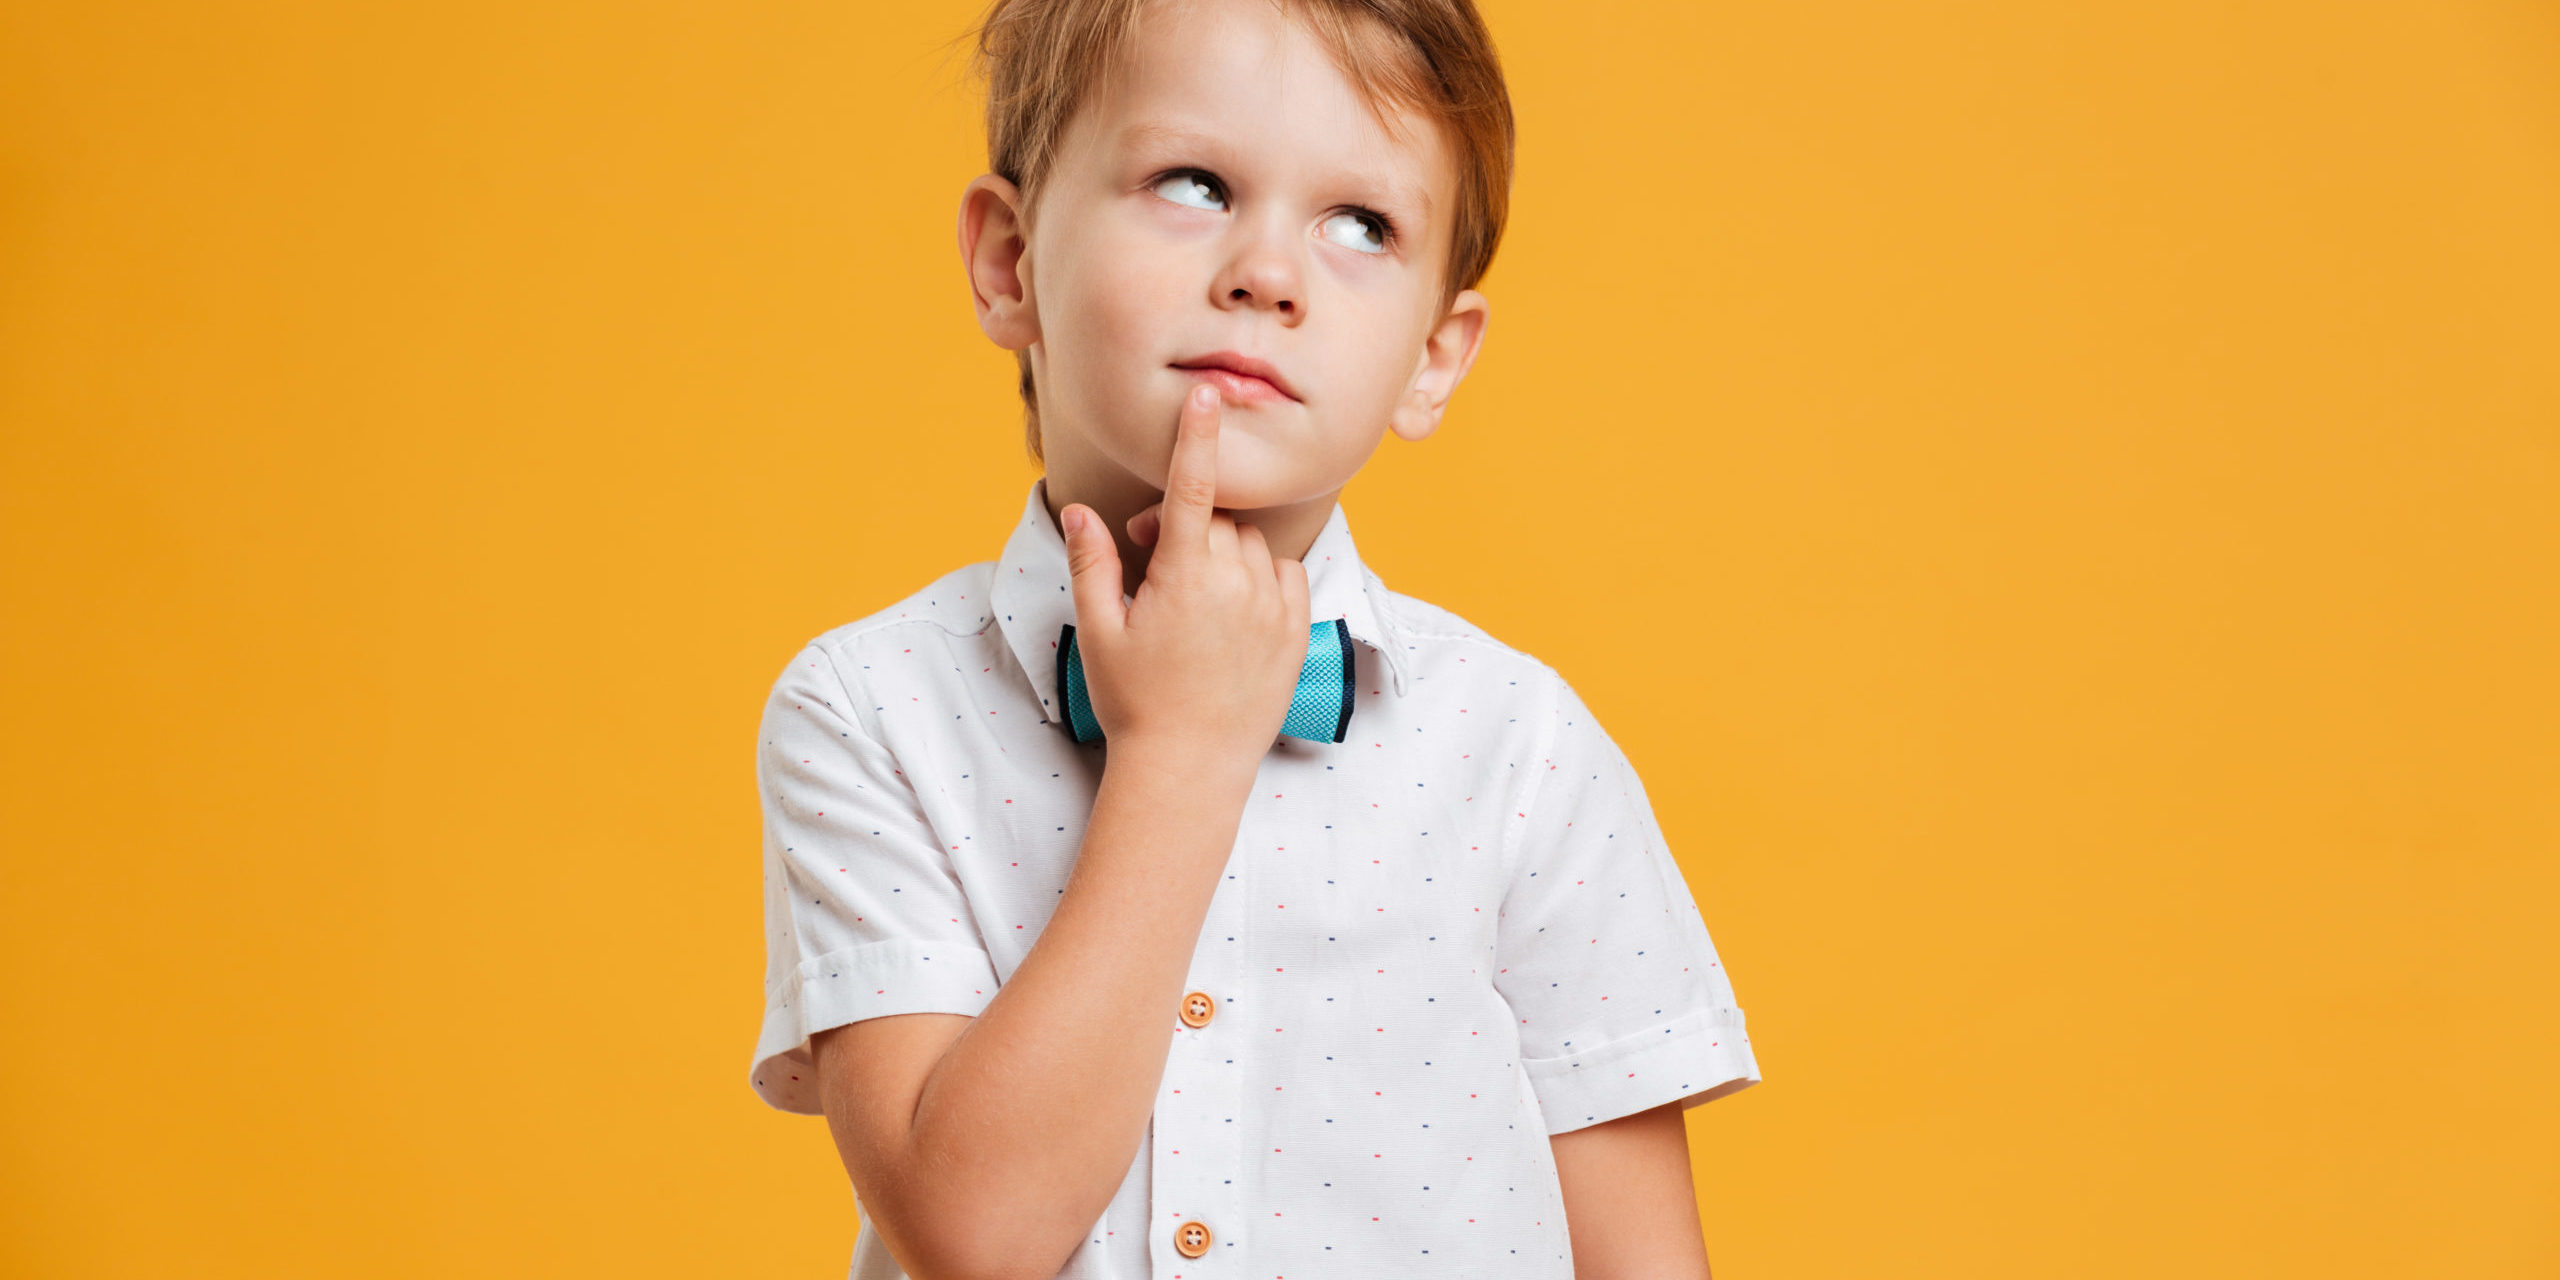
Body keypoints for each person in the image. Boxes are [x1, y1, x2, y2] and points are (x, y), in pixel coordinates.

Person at [748, 1, 1761, 1276]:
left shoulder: (1521, 748)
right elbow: (975, 1234)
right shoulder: (869, 705)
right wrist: (1179, 753)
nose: (1267, 273)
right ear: (1009, 262)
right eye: (1192, 181)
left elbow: (1640, 1252)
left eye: (1361, 225)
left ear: (1431, 362)